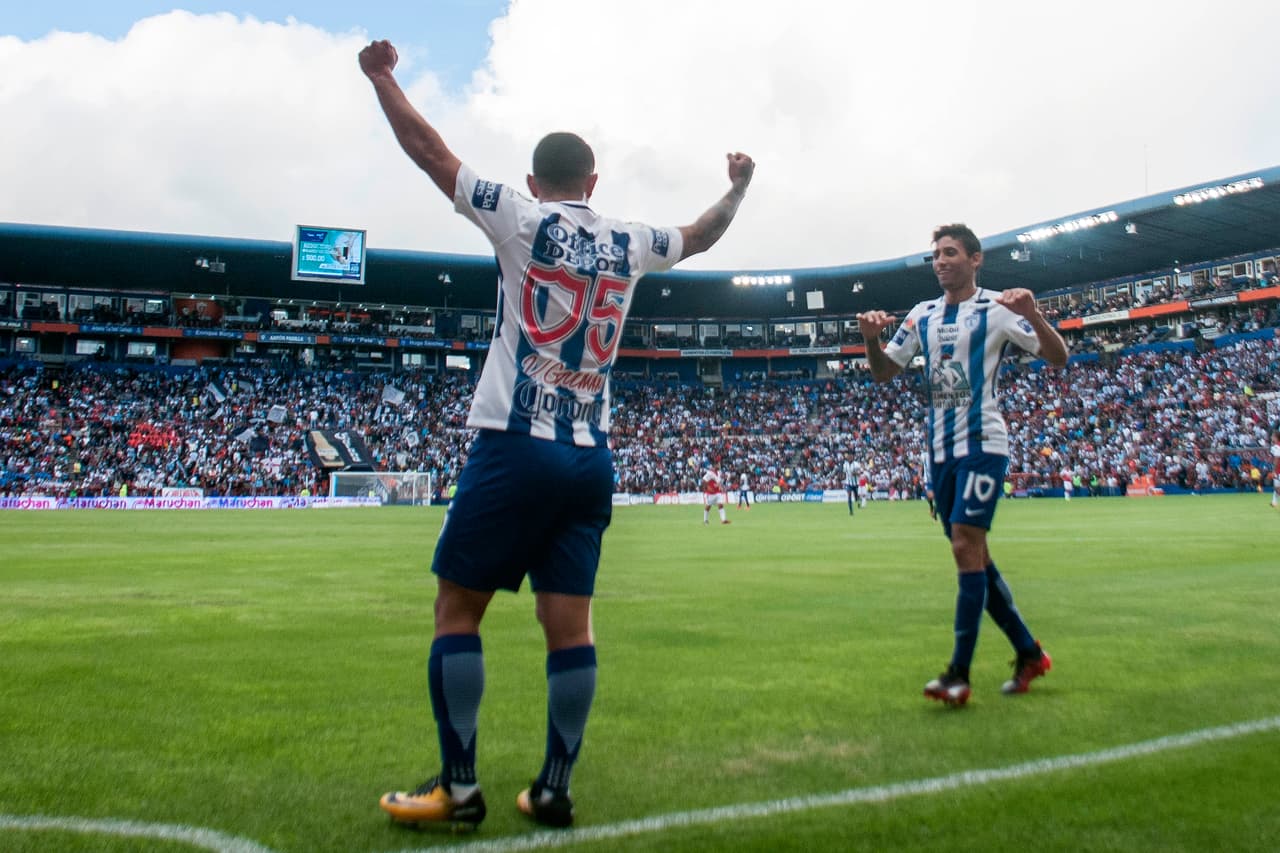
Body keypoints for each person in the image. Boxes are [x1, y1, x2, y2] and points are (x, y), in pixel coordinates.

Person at [359, 39, 754, 829]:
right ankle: (553, 787)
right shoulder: (632, 240)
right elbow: (704, 234)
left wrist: (382, 79)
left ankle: (459, 789)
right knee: (570, 626)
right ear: (594, 184)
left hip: (514, 445)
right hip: (589, 457)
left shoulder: (519, 214)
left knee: (457, 611)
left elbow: (428, 150)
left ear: (537, 182)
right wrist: (739, 186)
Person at [857, 223, 1068, 708]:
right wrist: (871, 339)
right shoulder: (921, 315)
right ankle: (1030, 653)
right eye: (935, 254)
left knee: (963, 545)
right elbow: (884, 371)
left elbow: (1058, 357)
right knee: (976, 557)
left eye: (950, 253)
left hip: (982, 442)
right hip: (939, 451)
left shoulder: (998, 308)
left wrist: (1033, 315)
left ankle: (958, 674)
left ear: (975, 260)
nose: (940, 261)